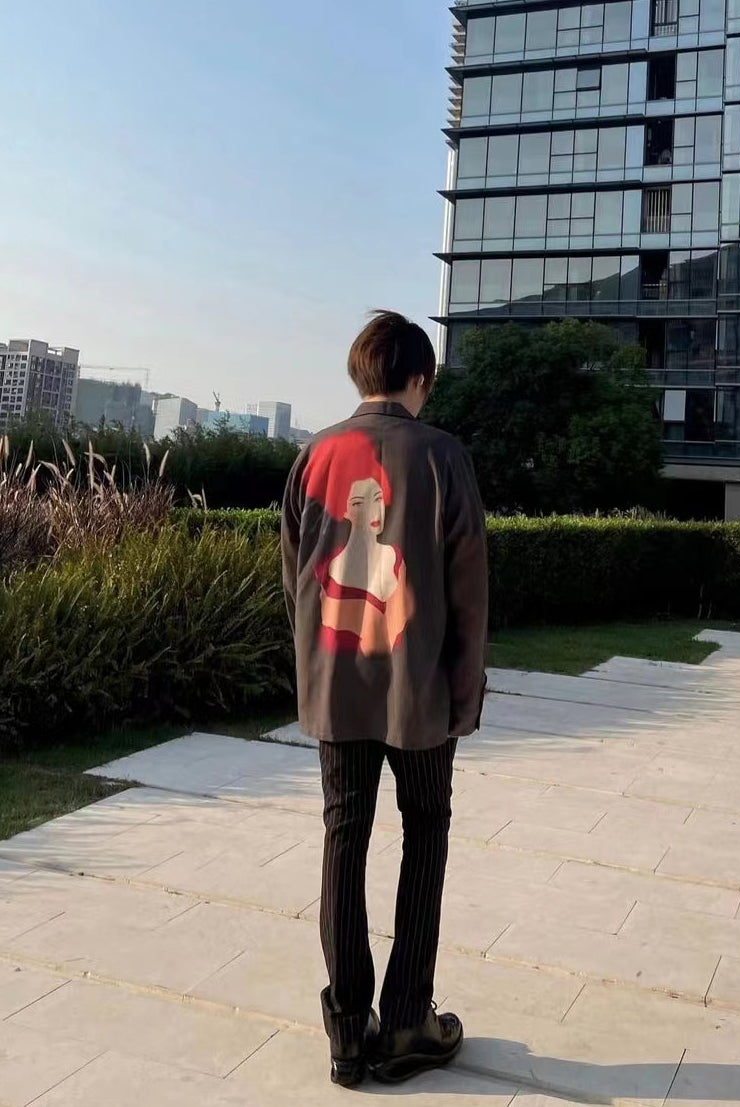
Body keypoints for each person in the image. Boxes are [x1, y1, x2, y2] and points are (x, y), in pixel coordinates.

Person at [281, 310, 488, 1087]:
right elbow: (469, 590)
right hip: (419, 693)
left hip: (337, 688)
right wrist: (464, 694)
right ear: (420, 378)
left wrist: (314, 671)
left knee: (344, 834)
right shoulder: (443, 456)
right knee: (425, 832)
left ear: (361, 372)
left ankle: (346, 1031)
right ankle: (405, 1022)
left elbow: (296, 579)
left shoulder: (313, 456)